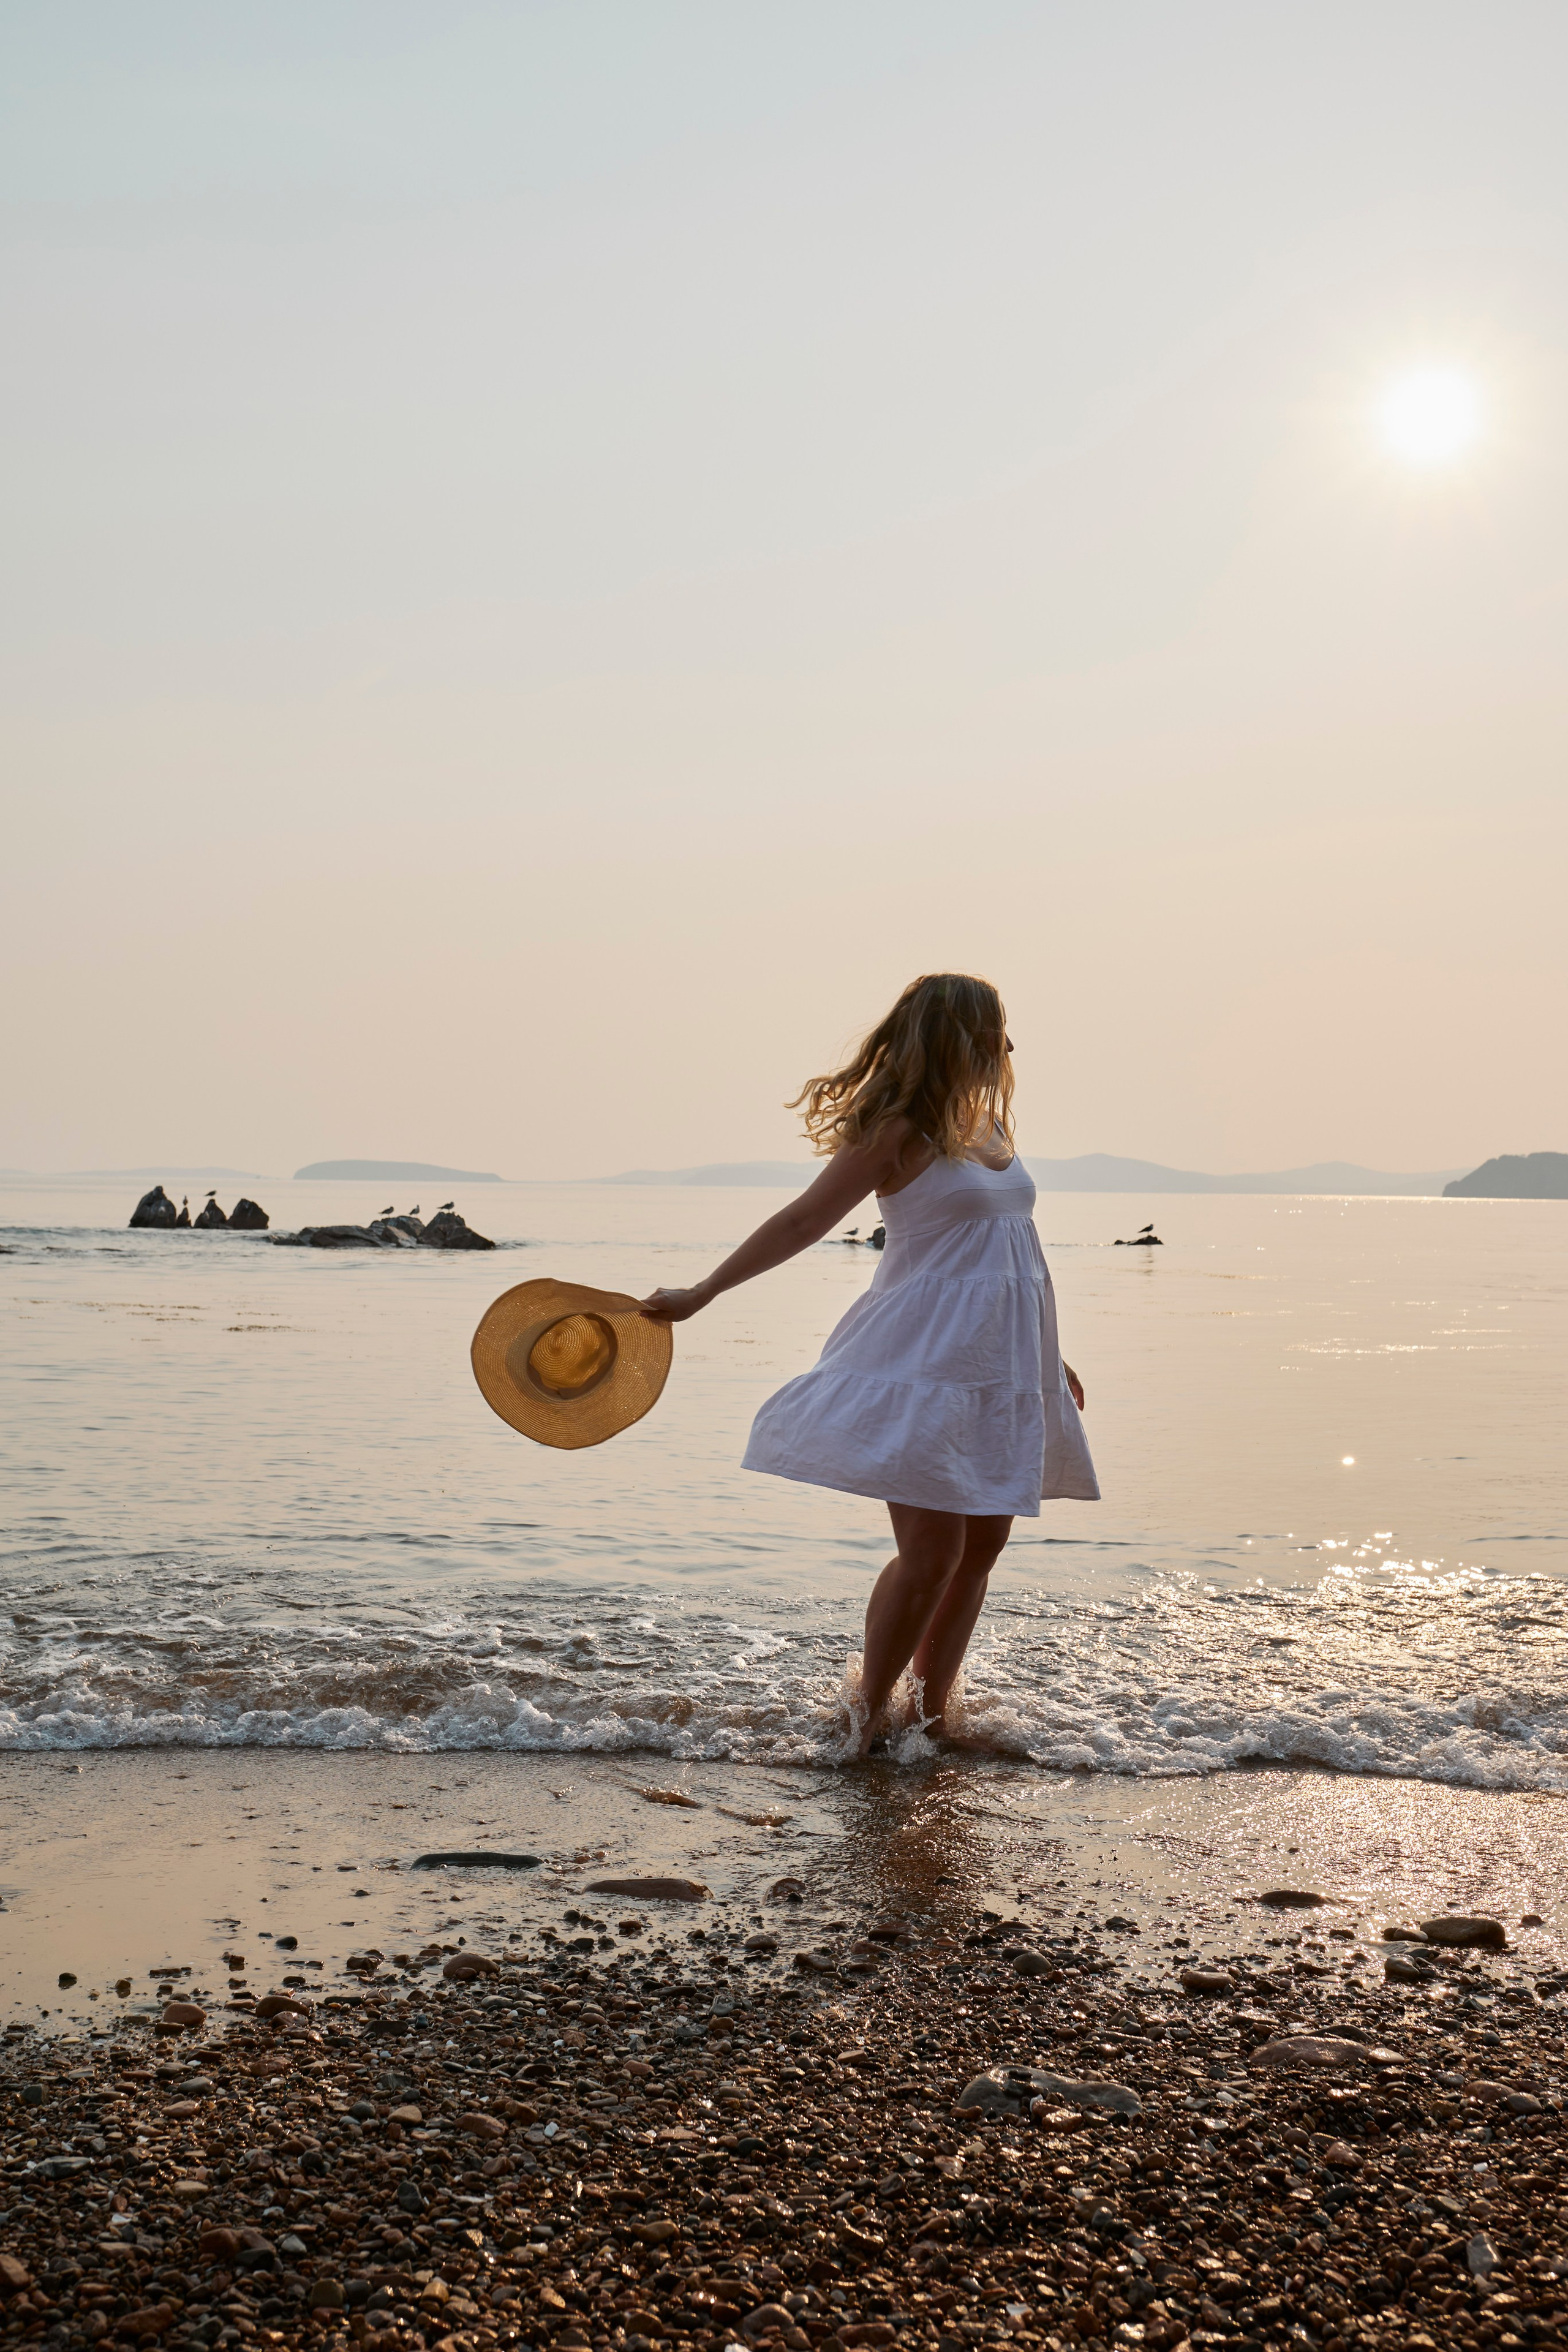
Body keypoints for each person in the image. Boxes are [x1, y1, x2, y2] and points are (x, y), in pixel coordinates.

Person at [639, 972, 1099, 1755]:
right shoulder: (892, 1132)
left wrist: (1050, 1356)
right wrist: (705, 1291)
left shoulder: (987, 1127)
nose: (1010, 1047)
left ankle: (929, 1719)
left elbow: (1008, 1255)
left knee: (982, 1549)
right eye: (996, 1031)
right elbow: (805, 1218)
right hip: (917, 1363)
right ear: (954, 1036)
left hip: (999, 1368)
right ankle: (865, 1720)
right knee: (933, 1553)